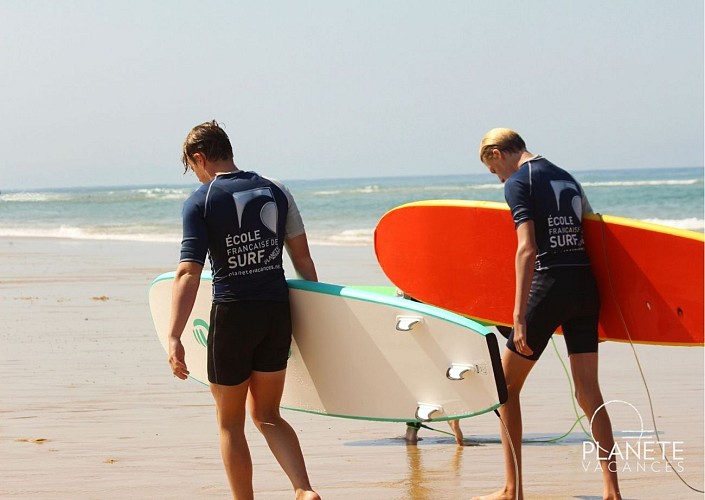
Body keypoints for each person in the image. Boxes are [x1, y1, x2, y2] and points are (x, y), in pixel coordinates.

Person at [167, 120, 321, 500]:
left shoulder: (201, 201)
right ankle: (303, 490)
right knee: (268, 413)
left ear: (199, 158)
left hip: (233, 315)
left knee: (230, 423)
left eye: (193, 167)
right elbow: (301, 258)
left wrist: (173, 335)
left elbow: (188, 272)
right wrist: (317, 319)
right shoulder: (276, 189)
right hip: (276, 312)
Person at [472, 128, 620, 500]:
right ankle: (612, 491)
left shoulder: (520, 182)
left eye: (494, 170)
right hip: (585, 287)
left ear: (495, 154)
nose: (498, 178)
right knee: (589, 393)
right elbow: (594, 233)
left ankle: (512, 489)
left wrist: (519, 315)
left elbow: (526, 250)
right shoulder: (566, 176)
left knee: (504, 390)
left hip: (549, 286)